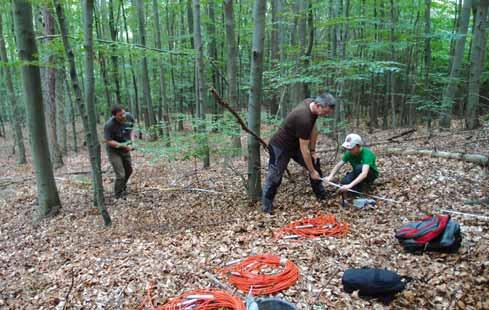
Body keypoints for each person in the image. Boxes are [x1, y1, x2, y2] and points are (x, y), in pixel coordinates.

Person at [262, 93, 336, 214]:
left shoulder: (311, 103)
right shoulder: (303, 118)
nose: (326, 114)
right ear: (318, 105)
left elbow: (314, 130)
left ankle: (321, 196)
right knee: (274, 177)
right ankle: (266, 208)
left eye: (328, 112)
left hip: (294, 144)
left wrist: (313, 151)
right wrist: (311, 171)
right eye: (325, 111)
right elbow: (304, 149)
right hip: (280, 147)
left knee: (314, 162)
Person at [104, 105, 134, 199]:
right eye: (120, 115)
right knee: (121, 174)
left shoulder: (129, 116)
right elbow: (108, 141)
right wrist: (122, 145)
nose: (123, 116)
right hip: (114, 151)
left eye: (124, 113)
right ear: (114, 116)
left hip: (125, 148)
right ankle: (118, 194)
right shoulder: (109, 125)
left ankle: (122, 187)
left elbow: (132, 129)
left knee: (129, 170)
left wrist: (131, 142)